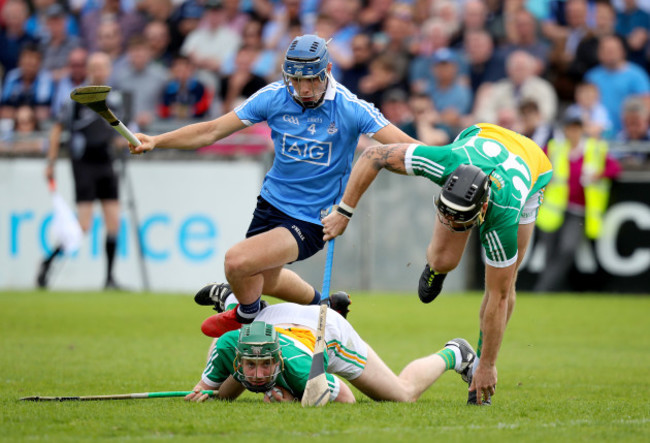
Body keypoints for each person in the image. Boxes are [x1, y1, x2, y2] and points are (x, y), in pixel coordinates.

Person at [128, 35, 419, 336]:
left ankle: (245, 313)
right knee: (268, 279)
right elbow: (212, 131)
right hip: (270, 204)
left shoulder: (351, 108)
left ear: (328, 70)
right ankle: (324, 307)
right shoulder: (274, 96)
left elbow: (408, 147)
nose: (303, 89)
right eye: (295, 79)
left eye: (312, 80)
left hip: (310, 220)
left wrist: (453, 162)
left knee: (237, 262)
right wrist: (156, 140)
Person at [321, 122, 553, 405]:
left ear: (481, 210)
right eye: (446, 213)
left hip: (532, 169)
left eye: (459, 219)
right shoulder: (445, 161)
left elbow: (498, 296)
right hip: (483, 137)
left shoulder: (503, 215)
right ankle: (436, 269)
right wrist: (344, 212)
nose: (450, 223)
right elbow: (374, 156)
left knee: (505, 284)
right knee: (444, 260)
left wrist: (488, 365)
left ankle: (477, 366)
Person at [185, 302, 476, 404]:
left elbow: (346, 398)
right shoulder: (227, 345)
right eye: (250, 366)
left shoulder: (300, 368)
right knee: (237, 373)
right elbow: (215, 396)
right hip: (275, 318)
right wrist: (203, 395)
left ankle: (456, 353)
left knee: (402, 394)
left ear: (279, 361)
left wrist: (298, 396)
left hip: (328, 335)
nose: (259, 376)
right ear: (237, 359)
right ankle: (233, 300)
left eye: (266, 367)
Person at [37, 52, 125, 290]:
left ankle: (109, 278)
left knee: (114, 222)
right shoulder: (77, 99)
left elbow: (121, 129)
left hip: (107, 163)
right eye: (94, 67)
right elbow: (57, 128)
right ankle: (47, 263)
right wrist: (51, 160)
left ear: (109, 69)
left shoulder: (115, 98)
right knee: (83, 226)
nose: (99, 71)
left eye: (103, 67)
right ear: (88, 70)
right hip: (84, 164)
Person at [534, 110, 621, 292]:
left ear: (581, 130)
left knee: (568, 248)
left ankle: (543, 289)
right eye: (569, 128)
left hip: (578, 210)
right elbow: (536, 164)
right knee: (549, 251)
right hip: (553, 209)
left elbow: (615, 168)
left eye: (576, 128)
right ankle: (550, 289)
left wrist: (599, 174)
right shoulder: (555, 148)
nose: (572, 132)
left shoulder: (594, 148)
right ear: (564, 130)